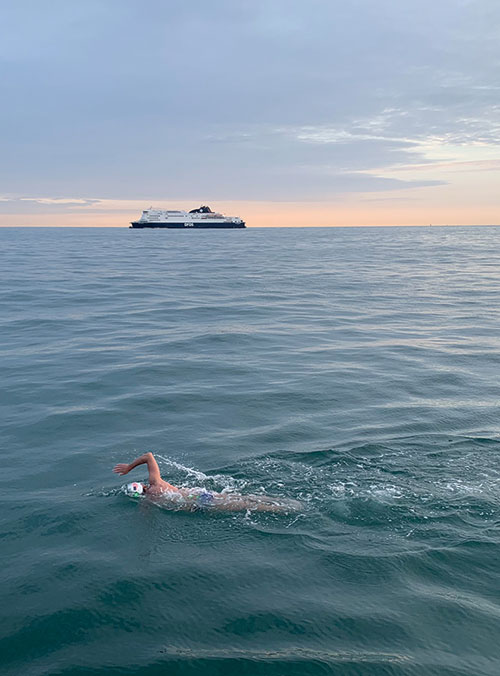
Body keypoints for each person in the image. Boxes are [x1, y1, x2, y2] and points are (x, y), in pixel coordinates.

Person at [113, 452, 301, 513]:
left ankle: (283, 509)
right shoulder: (156, 482)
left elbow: (146, 523)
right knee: (244, 498)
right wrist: (130, 467)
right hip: (201, 494)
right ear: (142, 485)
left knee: (244, 506)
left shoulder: (148, 501)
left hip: (202, 503)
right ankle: (281, 502)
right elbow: (149, 456)